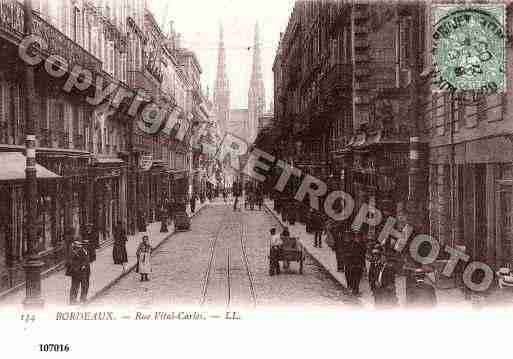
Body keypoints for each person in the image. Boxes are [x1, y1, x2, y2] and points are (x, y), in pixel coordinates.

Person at [66, 239, 91, 305]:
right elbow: (70, 262)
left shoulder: (85, 251)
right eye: (78, 246)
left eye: (80, 246)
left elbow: (85, 260)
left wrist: (84, 265)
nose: (80, 247)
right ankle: (72, 300)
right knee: (75, 286)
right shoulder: (73, 253)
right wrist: (79, 267)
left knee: (84, 285)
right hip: (76, 272)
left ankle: (82, 299)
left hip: (84, 271)